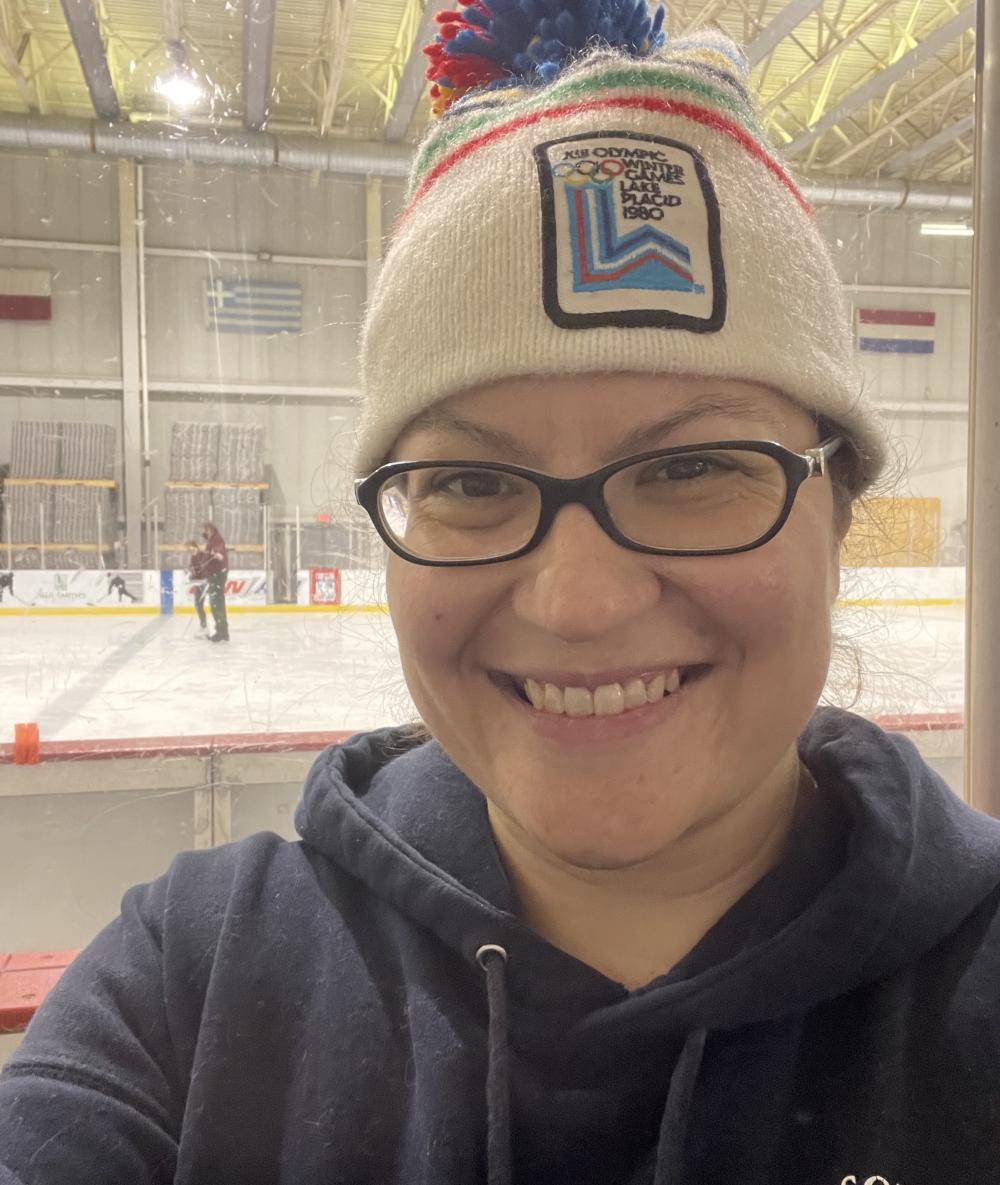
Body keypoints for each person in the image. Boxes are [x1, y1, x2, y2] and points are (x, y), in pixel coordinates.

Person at [2, 6, 999, 1183]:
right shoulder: (188, 986)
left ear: (838, 515)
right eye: (471, 481)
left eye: (689, 469)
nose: (578, 603)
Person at [200, 520, 229, 642]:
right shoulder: (211, 541)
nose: (203, 532)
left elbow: (219, 552)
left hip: (217, 575)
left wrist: (218, 555)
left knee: (216, 604)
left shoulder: (217, 540)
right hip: (214, 574)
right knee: (216, 604)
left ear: (209, 529)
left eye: (204, 530)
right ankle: (222, 631)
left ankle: (222, 632)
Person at [185, 539, 212, 632]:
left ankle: (205, 624)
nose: (189, 549)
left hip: (205, 582)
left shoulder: (202, 555)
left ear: (195, 546)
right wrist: (190, 572)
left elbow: (206, 568)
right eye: (188, 548)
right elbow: (194, 570)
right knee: (197, 604)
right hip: (198, 583)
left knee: (200, 603)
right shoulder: (193, 557)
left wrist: (206, 578)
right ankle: (203, 623)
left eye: (190, 547)